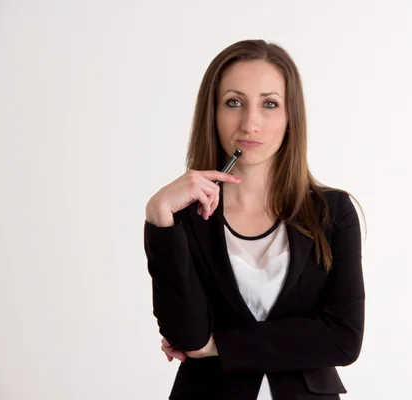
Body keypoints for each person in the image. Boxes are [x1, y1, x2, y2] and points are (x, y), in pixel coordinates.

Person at [143, 39, 365, 400]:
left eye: (269, 104)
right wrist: (159, 218)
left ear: (290, 117)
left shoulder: (333, 212)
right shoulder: (184, 218)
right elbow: (187, 337)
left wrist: (221, 345)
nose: (251, 123)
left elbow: (342, 339)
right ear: (212, 113)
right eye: (234, 102)